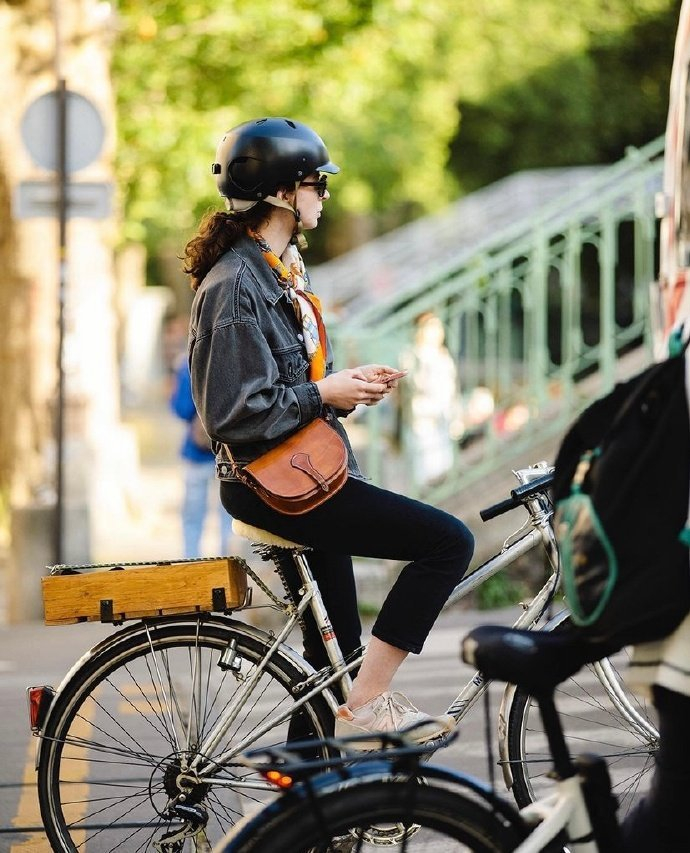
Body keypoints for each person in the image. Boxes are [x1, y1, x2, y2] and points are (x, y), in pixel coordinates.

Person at [182, 117, 474, 743]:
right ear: (283, 193)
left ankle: (304, 817)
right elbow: (230, 414)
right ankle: (369, 703)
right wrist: (324, 393)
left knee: (327, 661)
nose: (325, 194)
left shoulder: (277, 269)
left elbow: (289, 386)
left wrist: (343, 389)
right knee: (447, 543)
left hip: (302, 472)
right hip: (271, 481)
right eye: (317, 183)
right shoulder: (235, 285)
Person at [169, 356, 232, 558]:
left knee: (193, 515)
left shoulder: (188, 363)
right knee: (228, 514)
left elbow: (181, 408)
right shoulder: (230, 361)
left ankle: (192, 559)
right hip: (229, 452)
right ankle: (227, 560)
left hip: (195, 453)